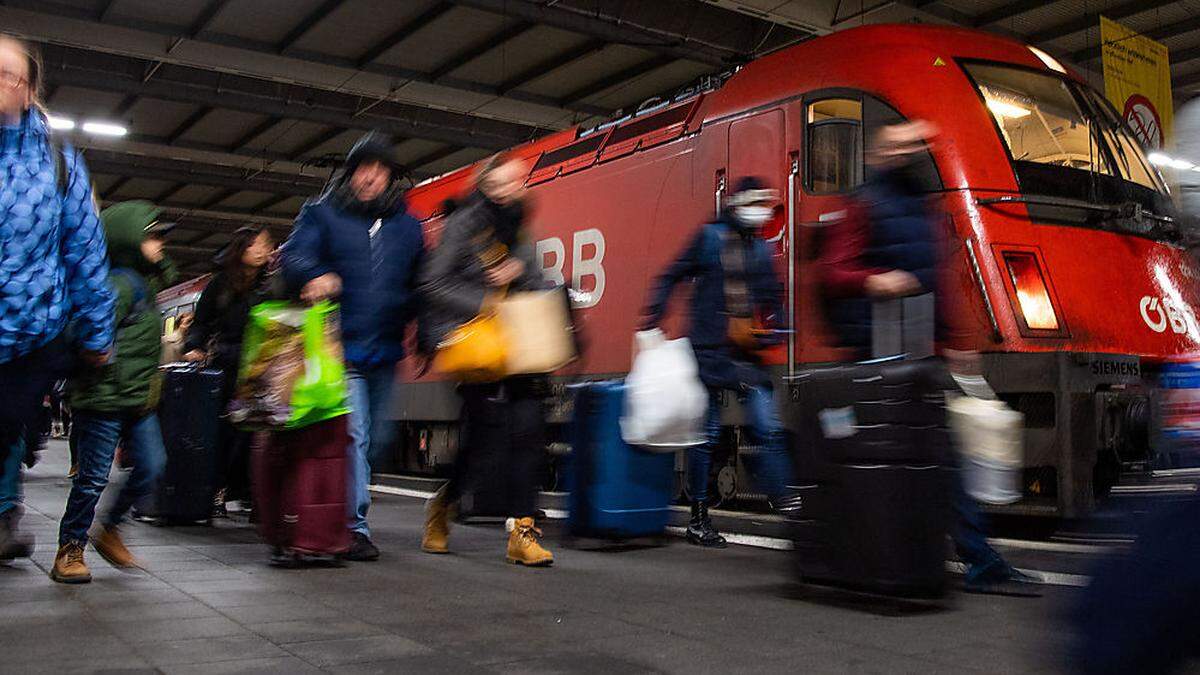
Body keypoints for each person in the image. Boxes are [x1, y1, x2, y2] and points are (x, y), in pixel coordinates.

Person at [817, 119, 1040, 595]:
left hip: (917, 348)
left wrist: (955, 340)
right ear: (878, 154)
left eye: (915, 145)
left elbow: (936, 279)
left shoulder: (921, 206)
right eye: (898, 145)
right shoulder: (863, 204)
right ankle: (881, 553)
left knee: (939, 456)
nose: (908, 152)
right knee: (899, 460)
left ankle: (963, 557)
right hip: (874, 352)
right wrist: (874, 279)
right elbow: (832, 271)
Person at [281, 131, 426, 561]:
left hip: (386, 349)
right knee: (356, 437)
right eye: (365, 168)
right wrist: (312, 274)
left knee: (379, 440)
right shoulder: (322, 214)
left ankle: (342, 513)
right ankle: (353, 527)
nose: (372, 177)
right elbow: (294, 257)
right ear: (351, 172)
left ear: (390, 178)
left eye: (381, 171)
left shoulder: (407, 226)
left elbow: (422, 280)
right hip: (339, 348)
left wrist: (429, 329)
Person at [0, 34, 114, 562]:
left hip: (25, 339)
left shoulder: (57, 162)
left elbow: (85, 252)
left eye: (9, 75)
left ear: (29, 91)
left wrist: (95, 336)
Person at [641, 177, 794, 548]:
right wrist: (651, 322)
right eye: (757, 203)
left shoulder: (758, 250)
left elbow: (774, 298)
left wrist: (777, 332)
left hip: (742, 354)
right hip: (708, 353)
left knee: (766, 427)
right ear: (738, 203)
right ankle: (699, 518)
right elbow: (672, 275)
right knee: (706, 436)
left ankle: (790, 505)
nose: (762, 212)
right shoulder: (710, 239)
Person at [418, 153, 555, 566]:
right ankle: (442, 507)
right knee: (481, 446)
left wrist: (522, 273)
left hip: (524, 345)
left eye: (516, 181)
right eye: (500, 183)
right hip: (481, 346)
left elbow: (533, 280)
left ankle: (523, 534)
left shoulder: (521, 224)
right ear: (485, 185)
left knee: (529, 435)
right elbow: (433, 281)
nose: (510, 188)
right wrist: (483, 302)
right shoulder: (465, 224)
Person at [51, 201, 177, 583]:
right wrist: (96, 345)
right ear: (128, 239)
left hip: (137, 398)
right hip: (104, 397)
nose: (161, 244)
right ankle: (69, 548)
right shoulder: (120, 283)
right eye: (152, 236)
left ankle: (109, 528)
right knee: (92, 478)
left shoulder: (147, 285)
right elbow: (83, 327)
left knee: (153, 465)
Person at [183, 226, 274, 516]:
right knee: (227, 433)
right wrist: (194, 346)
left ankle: (255, 494)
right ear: (241, 249)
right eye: (255, 245)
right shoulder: (220, 285)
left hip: (261, 367)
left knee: (257, 433)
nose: (262, 250)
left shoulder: (271, 284)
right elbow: (201, 323)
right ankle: (219, 490)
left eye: (265, 244)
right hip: (228, 364)